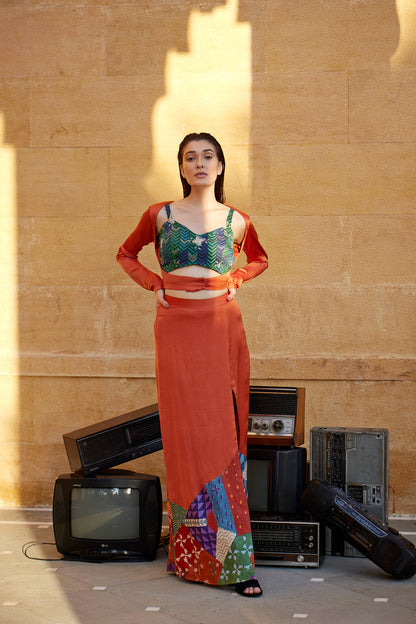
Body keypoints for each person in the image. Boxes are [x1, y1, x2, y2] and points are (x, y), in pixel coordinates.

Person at [116, 132, 268, 596]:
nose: (199, 163)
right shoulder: (160, 214)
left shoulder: (238, 220)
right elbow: (126, 254)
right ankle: (191, 557)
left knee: (223, 432)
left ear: (220, 166)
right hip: (176, 328)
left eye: (208, 156)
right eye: (190, 158)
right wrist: (152, 285)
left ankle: (236, 563)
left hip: (221, 326)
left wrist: (238, 276)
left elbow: (260, 258)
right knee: (183, 434)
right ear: (181, 168)